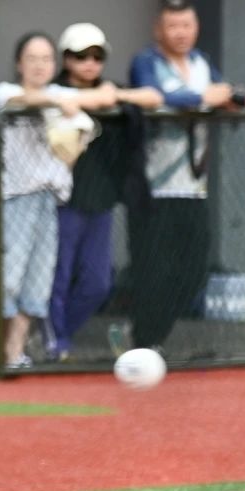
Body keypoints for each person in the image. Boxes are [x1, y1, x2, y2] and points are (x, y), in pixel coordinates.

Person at [0, 32, 117, 380]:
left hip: (51, 201)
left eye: (46, 59)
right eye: (32, 58)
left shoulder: (63, 94)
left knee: (37, 284)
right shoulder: (4, 91)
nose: (39, 65)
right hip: (14, 201)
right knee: (3, 281)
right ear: (19, 63)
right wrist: (63, 104)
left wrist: (73, 103)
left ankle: (12, 353)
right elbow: (19, 100)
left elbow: (106, 95)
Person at [122, 0, 243, 351]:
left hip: (194, 186)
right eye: (173, 26)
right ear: (159, 29)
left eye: (187, 25)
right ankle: (144, 342)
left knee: (193, 271)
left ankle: (149, 335)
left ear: (197, 27)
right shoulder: (147, 61)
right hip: (154, 186)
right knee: (154, 270)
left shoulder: (202, 62)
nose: (180, 33)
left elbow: (222, 94)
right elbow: (159, 96)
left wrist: (228, 98)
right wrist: (203, 95)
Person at [44, 23, 163, 362]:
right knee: (59, 276)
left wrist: (118, 97)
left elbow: (154, 97)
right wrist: (96, 98)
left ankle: (56, 333)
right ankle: (56, 343)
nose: (90, 63)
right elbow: (56, 100)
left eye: (98, 56)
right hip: (62, 199)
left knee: (99, 282)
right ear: (66, 59)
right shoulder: (56, 91)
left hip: (101, 199)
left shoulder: (113, 90)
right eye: (81, 56)